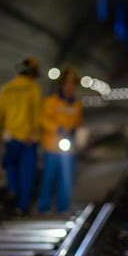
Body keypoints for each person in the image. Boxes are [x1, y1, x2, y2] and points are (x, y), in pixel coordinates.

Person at [0, 57, 41, 214]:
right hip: (27, 139)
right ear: (33, 73)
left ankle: (12, 189)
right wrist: (35, 133)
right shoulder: (33, 88)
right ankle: (22, 206)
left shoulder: (5, 89)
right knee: (26, 172)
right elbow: (36, 113)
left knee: (10, 164)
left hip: (10, 137)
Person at [37, 67, 83, 215]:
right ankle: (43, 207)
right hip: (51, 146)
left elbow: (78, 123)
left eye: (73, 84)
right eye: (67, 84)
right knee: (48, 177)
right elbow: (43, 119)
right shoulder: (50, 102)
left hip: (67, 147)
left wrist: (76, 132)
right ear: (61, 85)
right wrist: (58, 128)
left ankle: (63, 207)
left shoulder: (76, 105)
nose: (70, 87)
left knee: (66, 178)